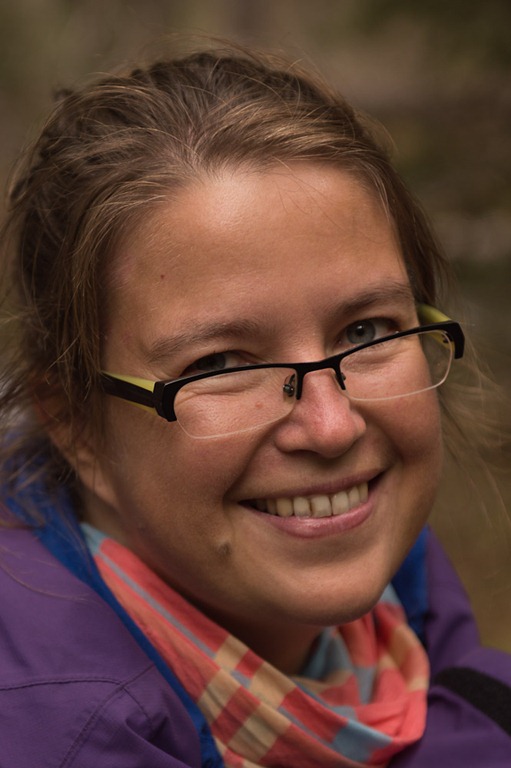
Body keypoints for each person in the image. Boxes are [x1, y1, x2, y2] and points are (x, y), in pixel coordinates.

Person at [0, 42, 510, 767]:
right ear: (74, 424)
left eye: (365, 331)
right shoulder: (53, 732)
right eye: (220, 364)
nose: (331, 427)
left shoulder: (405, 596)